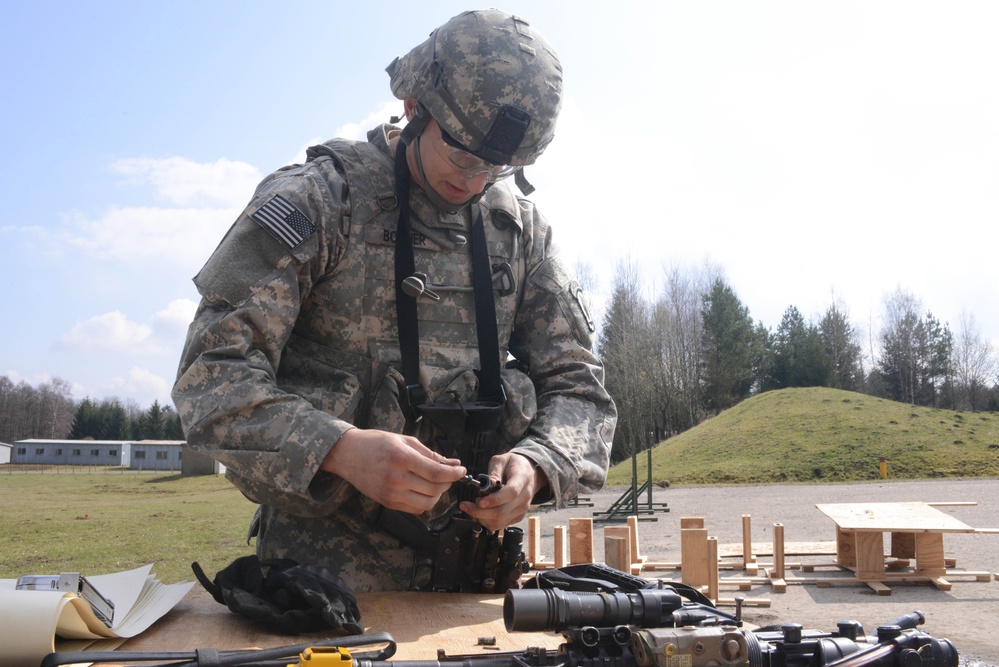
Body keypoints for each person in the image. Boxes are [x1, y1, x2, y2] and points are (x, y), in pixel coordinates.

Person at [172, 9, 616, 593]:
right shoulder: (319, 202)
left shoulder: (520, 231)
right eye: (462, 155)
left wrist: (536, 464)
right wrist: (341, 450)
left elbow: (578, 386)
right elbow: (211, 379)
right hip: (323, 593)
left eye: (498, 165)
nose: (477, 180)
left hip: (473, 594)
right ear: (414, 108)